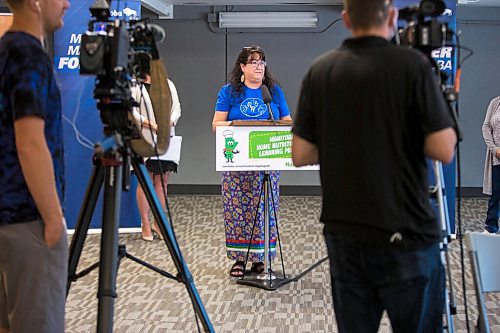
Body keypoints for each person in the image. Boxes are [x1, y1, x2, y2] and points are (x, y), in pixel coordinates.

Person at [291, 0, 457, 332]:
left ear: (346, 18)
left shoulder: (320, 70)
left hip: (345, 235)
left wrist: (348, 142)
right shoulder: (412, 66)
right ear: (392, 16)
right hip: (408, 233)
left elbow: (301, 154)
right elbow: (444, 149)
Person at [0, 0, 70, 332]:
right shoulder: (30, 57)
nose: (68, 3)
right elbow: (30, 142)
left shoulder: (5, 50)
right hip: (29, 219)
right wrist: (53, 217)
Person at [212, 45, 292, 277]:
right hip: (237, 163)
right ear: (242, 67)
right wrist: (241, 126)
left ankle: (262, 258)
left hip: (266, 163)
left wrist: (271, 126)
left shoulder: (273, 92)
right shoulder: (228, 92)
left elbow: (287, 121)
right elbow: (216, 125)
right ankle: (239, 259)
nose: (259, 66)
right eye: (254, 62)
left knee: (265, 209)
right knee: (238, 209)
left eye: (262, 62)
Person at [136, 77, 181, 241]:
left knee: (162, 181)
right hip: (144, 137)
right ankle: (145, 223)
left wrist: (170, 121)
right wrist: (149, 124)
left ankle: (158, 223)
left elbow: (177, 107)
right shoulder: (135, 85)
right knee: (145, 181)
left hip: (165, 137)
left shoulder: (167, 83)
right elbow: (130, 111)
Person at [482, 96, 500, 234]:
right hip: (497, 156)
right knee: (496, 195)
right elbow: (486, 127)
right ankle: (491, 227)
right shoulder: (495, 102)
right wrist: (495, 149)